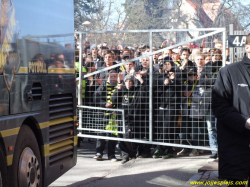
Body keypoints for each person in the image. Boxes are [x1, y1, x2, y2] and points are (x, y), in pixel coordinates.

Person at [212, 34, 250, 187]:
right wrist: (244, 122)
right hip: (235, 146)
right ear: (247, 48)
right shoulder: (228, 72)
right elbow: (219, 107)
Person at [111, 74, 148, 164]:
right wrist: (117, 90)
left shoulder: (136, 91)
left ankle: (132, 153)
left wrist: (140, 79)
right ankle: (125, 156)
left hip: (131, 119)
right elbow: (113, 100)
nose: (128, 83)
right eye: (127, 81)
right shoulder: (121, 90)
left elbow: (145, 91)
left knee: (127, 137)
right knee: (120, 137)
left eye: (130, 81)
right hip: (121, 118)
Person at [199, 48, 222, 159]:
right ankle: (214, 150)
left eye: (216, 55)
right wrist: (214, 81)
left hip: (221, 99)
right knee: (210, 127)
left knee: (220, 127)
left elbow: (221, 81)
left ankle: (221, 149)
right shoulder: (206, 66)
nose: (214, 57)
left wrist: (210, 81)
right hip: (208, 100)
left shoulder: (222, 66)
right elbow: (201, 81)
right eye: (212, 55)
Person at [93, 70, 119, 161]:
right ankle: (99, 152)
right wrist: (104, 104)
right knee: (101, 132)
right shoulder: (103, 86)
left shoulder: (119, 86)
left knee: (113, 134)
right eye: (111, 76)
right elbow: (96, 97)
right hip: (103, 113)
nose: (113, 78)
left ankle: (111, 154)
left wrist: (115, 108)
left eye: (115, 76)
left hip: (114, 114)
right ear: (108, 77)